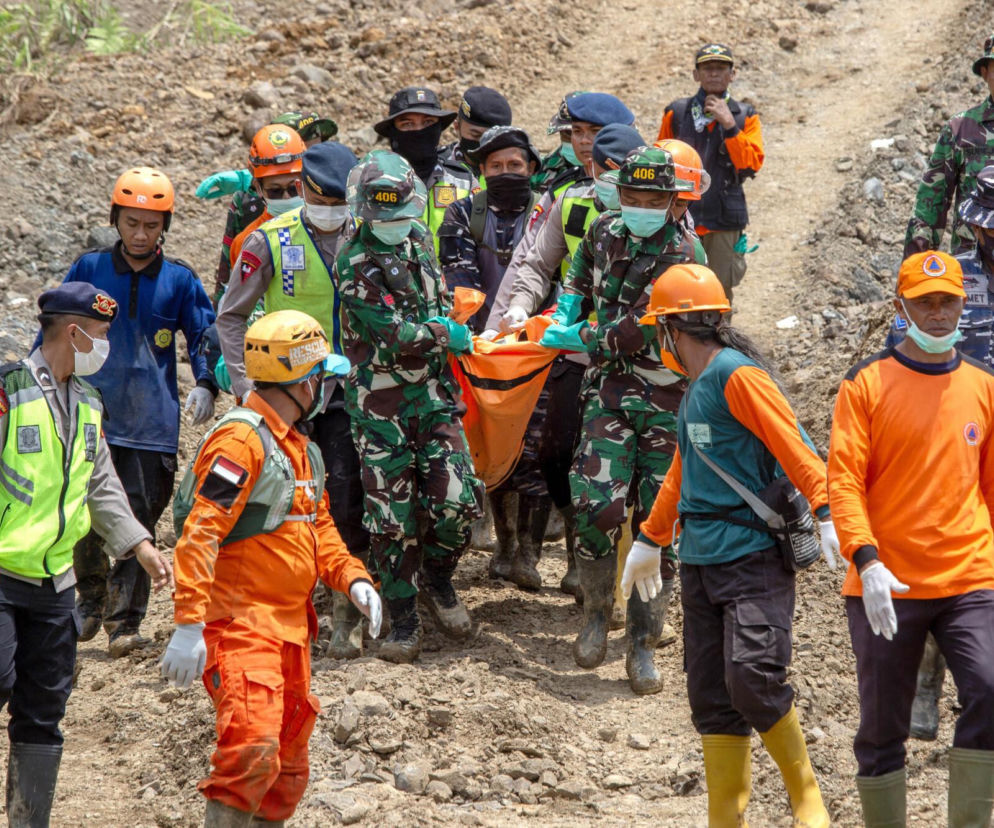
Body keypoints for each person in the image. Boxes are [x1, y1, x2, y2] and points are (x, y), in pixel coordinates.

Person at [623, 265, 836, 826]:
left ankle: (806, 796)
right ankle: (726, 819)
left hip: (752, 558)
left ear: (670, 328)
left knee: (754, 678)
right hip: (698, 563)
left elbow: (795, 446)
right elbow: (682, 471)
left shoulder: (738, 378)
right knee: (713, 700)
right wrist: (650, 536)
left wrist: (827, 509)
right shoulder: (696, 389)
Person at [162, 310, 381, 827]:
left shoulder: (301, 448)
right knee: (250, 748)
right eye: (322, 378)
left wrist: (353, 579)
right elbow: (200, 532)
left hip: (290, 631)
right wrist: (189, 624)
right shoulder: (242, 441)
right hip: (240, 627)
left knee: (286, 769)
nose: (324, 388)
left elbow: (318, 526)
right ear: (305, 382)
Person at [827, 250, 994, 828]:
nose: (940, 312)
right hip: (887, 583)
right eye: (926, 302)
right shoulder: (866, 384)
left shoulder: (983, 385)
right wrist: (865, 559)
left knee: (990, 688)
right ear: (902, 307)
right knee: (882, 724)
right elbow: (844, 480)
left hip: (970, 576)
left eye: (949, 300)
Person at [0, 283, 172, 826]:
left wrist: (139, 544)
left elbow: (101, 485)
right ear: (71, 333)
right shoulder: (10, 392)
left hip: (55, 583)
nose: (105, 346)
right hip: (2, 574)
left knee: (45, 710)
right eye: (99, 336)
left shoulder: (90, 403)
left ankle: (29, 820)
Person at [544, 147, 704, 695]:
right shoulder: (604, 232)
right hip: (609, 389)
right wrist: (567, 307)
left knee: (661, 522)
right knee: (596, 504)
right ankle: (594, 614)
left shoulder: (684, 250)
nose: (639, 207)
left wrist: (582, 338)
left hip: (666, 393)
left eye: (651, 199)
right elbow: (577, 279)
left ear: (671, 201)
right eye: (630, 197)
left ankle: (642, 641)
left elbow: (643, 327)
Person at [217, 141, 371, 660]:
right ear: (304, 191)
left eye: (340, 201)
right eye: (321, 199)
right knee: (287, 499)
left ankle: (344, 612)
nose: (331, 211)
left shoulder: (369, 232)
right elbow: (231, 315)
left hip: (350, 391)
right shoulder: (268, 241)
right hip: (287, 392)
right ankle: (288, 606)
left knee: (346, 496)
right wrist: (243, 386)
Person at [483, 100, 640, 597]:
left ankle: (612, 582)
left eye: (598, 134)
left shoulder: (663, 213)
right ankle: (581, 549)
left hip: (641, 359)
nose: (587, 143)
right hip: (575, 350)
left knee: (633, 475)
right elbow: (534, 266)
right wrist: (513, 315)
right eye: (578, 133)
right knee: (555, 456)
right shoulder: (569, 203)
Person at [57, 167, 214, 658]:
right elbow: (58, 326)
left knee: (140, 516)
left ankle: (126, 623)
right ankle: (92, 596)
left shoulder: (180, 279)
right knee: (82, 512)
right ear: (116, 220)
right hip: (92, 413)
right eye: (131, 223)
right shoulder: (89, 269)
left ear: (164, 225)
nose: (140, 234)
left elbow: (205, 335)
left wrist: (207, 381)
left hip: (153, 423)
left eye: (151, 225)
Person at [334, 150, 484, 663]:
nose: (396, 226)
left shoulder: (420, 239)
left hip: (435, 400)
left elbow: (434, 303)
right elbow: (399, 335)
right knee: (390, 520)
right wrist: (449, 333)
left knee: (458, 504)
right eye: (386, 219)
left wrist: (448, 319)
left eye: (401, 215)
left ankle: (438, 579)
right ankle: (404, 621)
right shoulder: (352, 260)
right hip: (380, 408)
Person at [439, 125, 546, 588]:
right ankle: (504, 546)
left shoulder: (548, 213)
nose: (506, 172)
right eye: (496, 166)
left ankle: (530, 552)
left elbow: (555, 275)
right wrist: (483, 336)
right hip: (482, 352)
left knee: (542, 448)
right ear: (480, 170)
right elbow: (460, 280)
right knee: (494, 444)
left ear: (532, 168)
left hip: (540, 349)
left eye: (515, 165)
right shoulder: (461, 215)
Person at [657, 43, 764, 301]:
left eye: (720, 68)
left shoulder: (744, 116)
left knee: (719, 289)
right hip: (679, 216)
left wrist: (729, 126)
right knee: (677, 283)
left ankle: (719, 339)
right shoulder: (677, 112)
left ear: (732, 74)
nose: (714, 73)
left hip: (723, 218)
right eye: (707, 68)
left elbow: (750, 164)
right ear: (696, 75)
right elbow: (660, 159)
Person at [198, 111, 338, 307]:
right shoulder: (247, 209)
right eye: (275, 190)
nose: (287, 196)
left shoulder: (334, 210)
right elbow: (232, 280)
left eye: (320, 143)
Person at [905, 33, 994, 257]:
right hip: (972, 270)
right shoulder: (960, 129)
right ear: (985, 73)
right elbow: (929, 207)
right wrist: (916, 274)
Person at [373, 86, 478, 250]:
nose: (419, 131)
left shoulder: (463, 181)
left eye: (428, 122)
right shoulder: (375, 184)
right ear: (393, 132)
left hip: (454, 274)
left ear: (439, 128)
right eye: (407, 124)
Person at [225, 124, 308, 289]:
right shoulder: (247, 242)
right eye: (275, 191)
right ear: (258, 187)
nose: (286, 197)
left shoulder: (327, 229)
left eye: (294, 188)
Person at [439, 86, 513, 178]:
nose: (483, 143)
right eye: (475, 135)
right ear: (457, 127)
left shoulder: (519, 170)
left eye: (492, 137)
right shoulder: (437, 167)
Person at [530, 91, 586, 195]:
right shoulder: (542, 169)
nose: (574, 141)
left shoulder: (614, 169)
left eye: (579, 133)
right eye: (567, 134)